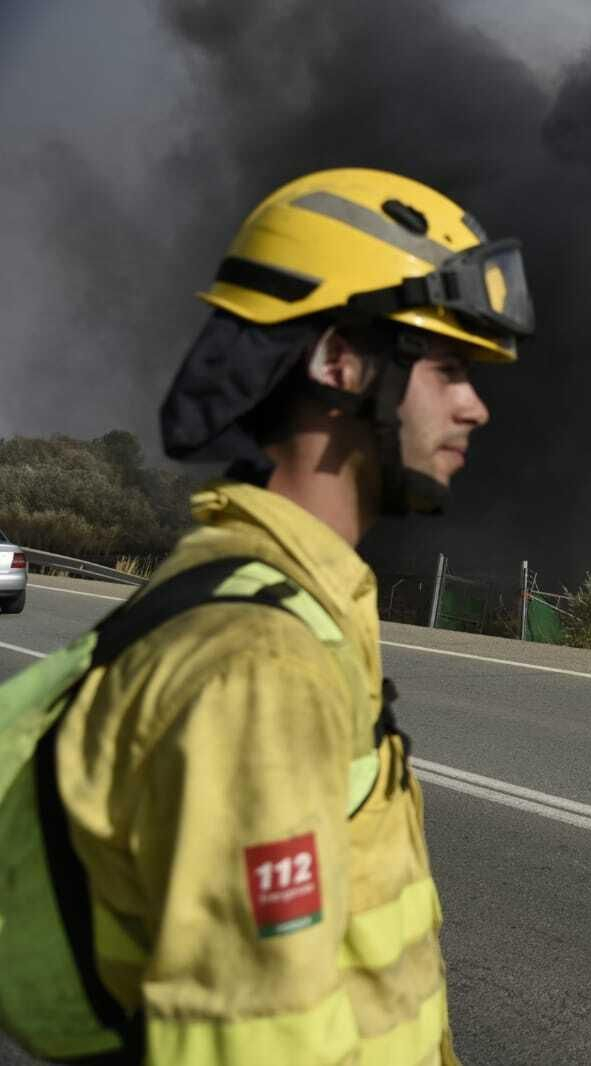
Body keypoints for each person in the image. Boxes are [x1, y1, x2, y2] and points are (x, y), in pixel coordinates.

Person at [46, 167, 532, 1063]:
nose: (476, 405)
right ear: (341, 361)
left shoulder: (293, 609)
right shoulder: (258, 665)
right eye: (450, 368)